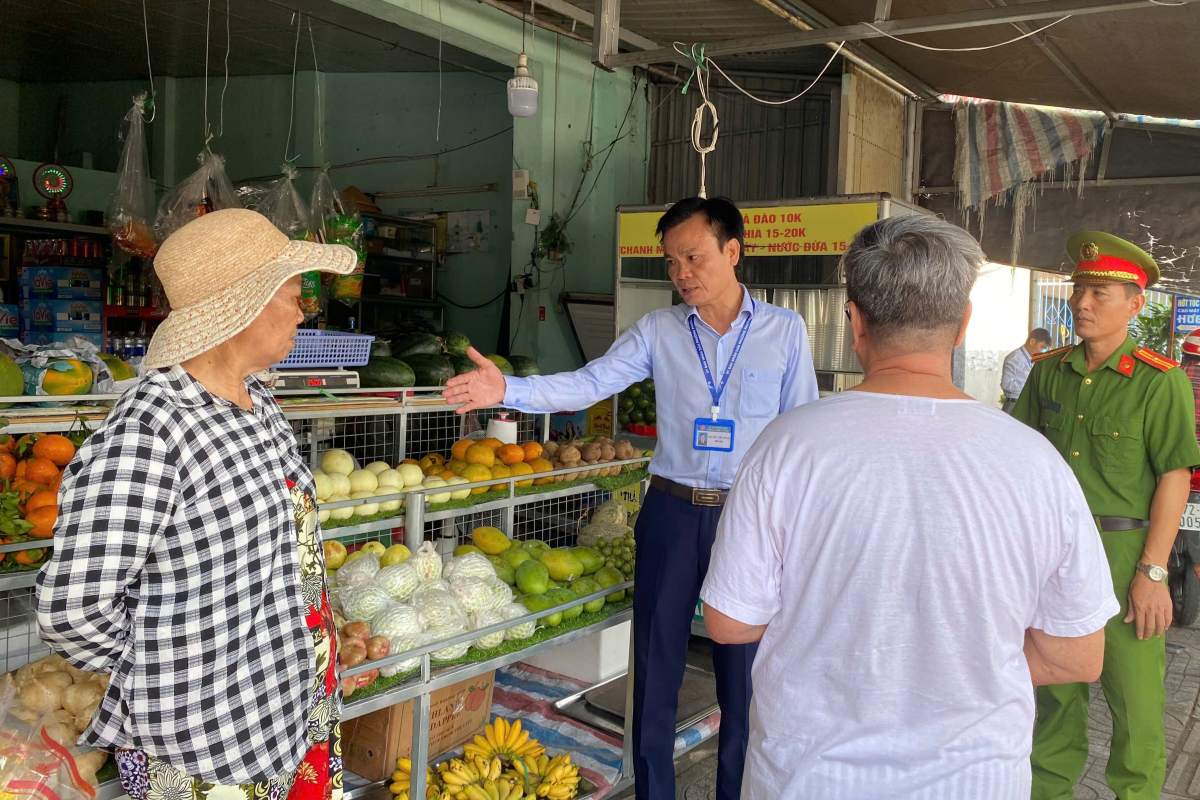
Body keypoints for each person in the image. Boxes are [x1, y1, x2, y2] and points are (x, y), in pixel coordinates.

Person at [701, 214, 1118, 799]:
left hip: (812, 778)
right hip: (977, 781)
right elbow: (1078, 655)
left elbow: (729, 620)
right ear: (963, 323)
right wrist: (953, 660)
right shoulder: (1037, 462)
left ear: (854, 321)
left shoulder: (786, 446)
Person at [443, 196, 818, 799]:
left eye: (692, 257)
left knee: (744, 674)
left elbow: (800, 431)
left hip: (750, 518)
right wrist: (505, 386)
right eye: (670, 263)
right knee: (657, 667)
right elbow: (590, 384)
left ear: (732, 251)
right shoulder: (659, 331)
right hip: (670, 513)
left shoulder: (783, 332)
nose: (681, 274)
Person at [36, 209, 358, 800]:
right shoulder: (152, 432)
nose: (303, 311)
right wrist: (173, 670)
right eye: (292, 295)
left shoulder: (259, 404)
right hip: (205, 743)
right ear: (247, 306)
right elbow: (73, 608)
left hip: (290, 707)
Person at [1012, 231, 1200, 800]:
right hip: (1053, 556)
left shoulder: (1159, 381)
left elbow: (1174, 477)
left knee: (1136, 704)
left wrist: (1154, 572)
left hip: (1125, 559)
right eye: (1078, 289)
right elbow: (1018, 457)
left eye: (1099, 292)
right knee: (1055, 695)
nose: (1081, 303)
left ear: (1135, 303)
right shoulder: (1048, 372)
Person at [1001, 327, 1052, 412]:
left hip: (1028, 405)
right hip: (1014, 405)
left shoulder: (1034, 359)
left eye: (1045, 348)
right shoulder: (1014, 358)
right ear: (1032, 342)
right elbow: (1006, 384)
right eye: (1042, 347)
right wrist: (1030, 388)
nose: (1043, 351)